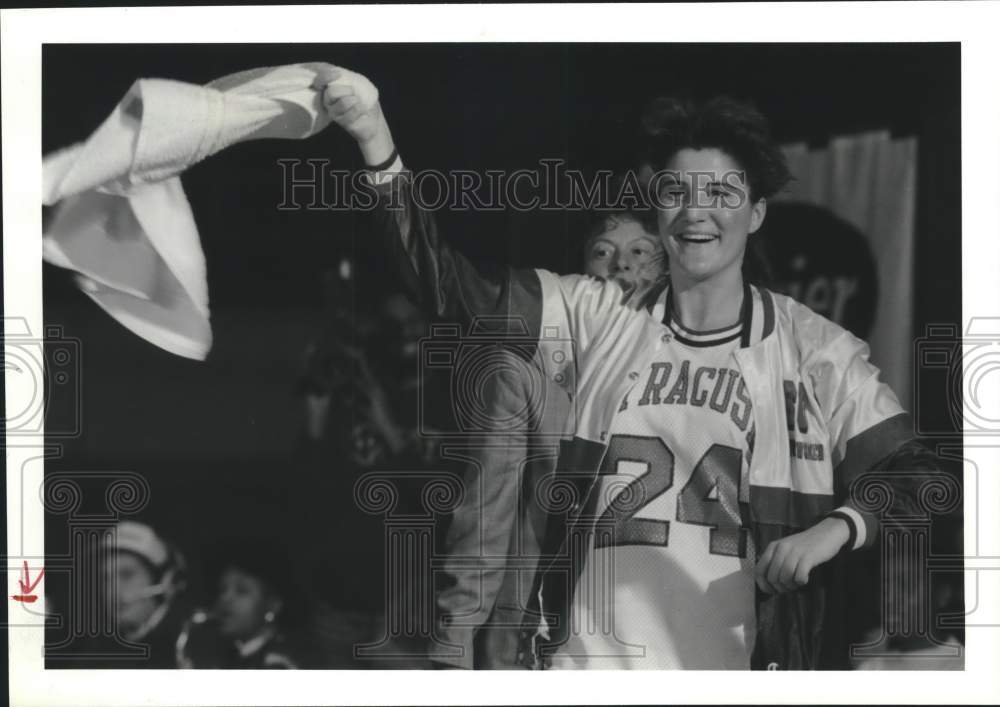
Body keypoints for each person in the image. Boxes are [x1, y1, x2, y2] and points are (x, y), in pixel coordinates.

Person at [315, 66, 939, 670]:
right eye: (676, 193)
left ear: (756, 213)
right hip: (582, 668)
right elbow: (448, 289)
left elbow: (922, 475)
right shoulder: (594, 313)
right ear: (659, 210)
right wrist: (376, 142)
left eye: (722, 193)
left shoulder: (815, 348)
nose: (697, 212)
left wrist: (837, 528)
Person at [431, 203, 668, 669]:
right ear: (580, 274)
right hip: (545, 617)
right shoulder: (527, 373)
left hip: (664, 609)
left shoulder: (706, 357)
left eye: (641, 251)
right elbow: (486, 507)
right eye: (603, 251)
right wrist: (454, 638)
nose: (621, 264)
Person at [177, 542, 299, 669]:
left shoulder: (278, 665)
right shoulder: (234, 656)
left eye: (242, 590)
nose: (225, 599)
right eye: (222, 590)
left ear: (273, 605)